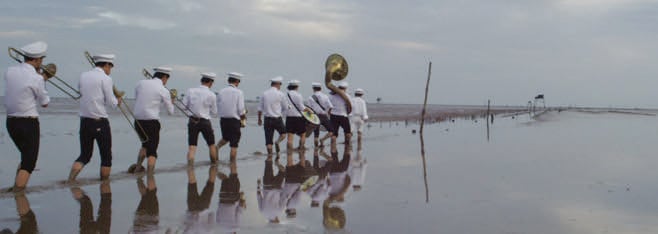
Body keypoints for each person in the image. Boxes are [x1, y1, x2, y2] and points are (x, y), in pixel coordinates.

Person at [4, 41, 51, 193]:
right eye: (41, 60)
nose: (42, 63)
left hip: (10, 122)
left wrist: (40, 78)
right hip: (28, 123)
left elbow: (21, 86)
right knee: (29, 163)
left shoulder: (10, 71)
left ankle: (16, 187)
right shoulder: (36, 78)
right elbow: (45, 102)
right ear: (37, 60)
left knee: (25, 157)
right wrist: (43, 79)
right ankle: (18, 193)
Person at [67, 54, 120, 183]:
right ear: (107, 65)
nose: (110, 70)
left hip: (84, 121)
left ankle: (70, 180)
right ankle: (104, 183)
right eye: (110, 67)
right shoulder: (106, 79)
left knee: (84, 155)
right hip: (100, 121)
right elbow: (112, 104)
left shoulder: (83, 76)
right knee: (106, 156)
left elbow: (81, 92)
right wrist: (118, 100)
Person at [132, 67, 175, 174]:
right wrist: (171, 100)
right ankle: (150, 174)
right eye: (166, 79)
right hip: (151, 122)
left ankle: (138, 168)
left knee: (145, 145)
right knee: (152, 151)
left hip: (137, 121)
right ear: (164, 77)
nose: (166, 82)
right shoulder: (163, 90)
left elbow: (139, 99)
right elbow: (171, 111)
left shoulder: (140, 83)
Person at [183, 72, 219, 164]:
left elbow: (183, 106)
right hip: (205, 122)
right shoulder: (212, 95)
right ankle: (214, 165)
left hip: (192, 120)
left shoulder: (190, 91)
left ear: (201, 81)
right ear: (211, 82)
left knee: (192, 146)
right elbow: (214, 112)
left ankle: (190, 167)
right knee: (211, 145)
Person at [216, 72, 246, 161]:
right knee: (234, 144)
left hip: (223, 119)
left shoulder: (221, 91)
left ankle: (216, 148)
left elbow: (218, 105)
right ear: (237, 81)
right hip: (234, 120)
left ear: (228, 81)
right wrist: (243, 118)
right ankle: (232, 163)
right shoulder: (239, 92)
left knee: (225, 138)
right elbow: (241, 109)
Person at [257, 76, 287, 154]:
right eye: (280, 84)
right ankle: (277, 142)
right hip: (277, 119)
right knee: (283, 134)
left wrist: (259, 119)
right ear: (277, 84)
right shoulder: (281, 94)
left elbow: (260, 108)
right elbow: (285, 107)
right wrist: (280, 112)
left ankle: (269, 156)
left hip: (267, 119)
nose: (280, 86)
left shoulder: (264, 93)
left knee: (268, 140)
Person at [216, 159, 244, 232]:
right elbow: (218, 212)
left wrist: (242, 199)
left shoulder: (236, 227)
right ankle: (214, 169)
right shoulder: (220, 225)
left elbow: (239, 211)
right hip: (222, 198)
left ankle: (232, 162)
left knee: (233, 176)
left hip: (232, 199)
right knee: (225, 179)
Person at [256, 155, 286, 223]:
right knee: (268, 163)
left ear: (276, 221)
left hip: (277, 186)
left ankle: (277, 163)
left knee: (283, 171)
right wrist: (258, 185)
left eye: (278, 221)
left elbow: (284, 198)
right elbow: (259, 197)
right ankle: (269, 150)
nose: (279, 219)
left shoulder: (279, 212)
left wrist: (284, 186)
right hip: (267, 185)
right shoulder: (262, 212)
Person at [306, 82, 334, 147]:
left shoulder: (310, 97)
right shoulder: (325, 96)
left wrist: (309, 119)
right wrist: (328, 114)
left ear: (313, 89)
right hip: (324, 116)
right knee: (331, 131)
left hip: (315, 117)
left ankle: (316, 147)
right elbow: (330, 107)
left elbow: (308, 109)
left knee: (316, 134)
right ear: (320, 88)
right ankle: (322, 140)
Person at [284, 80, 310, 150]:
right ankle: (301, 149)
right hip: (298, 117)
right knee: (303, 135)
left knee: (289, 137)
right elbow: (302, 108)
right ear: (296, 87)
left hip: (289, 118)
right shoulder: (298, 95)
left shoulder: (285, 95)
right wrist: (309, 111)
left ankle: (289, 153)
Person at [328, 82, 352, 152]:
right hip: (343, 115)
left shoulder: (332, 96)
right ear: (345, 88)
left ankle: (333, 148)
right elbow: (350, 107)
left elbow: (329, 107)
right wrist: (348, 112)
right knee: (347, 132)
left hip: (333, 116)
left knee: (334, 133)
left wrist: (329, 114)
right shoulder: (347, 96)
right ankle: (347, 146)